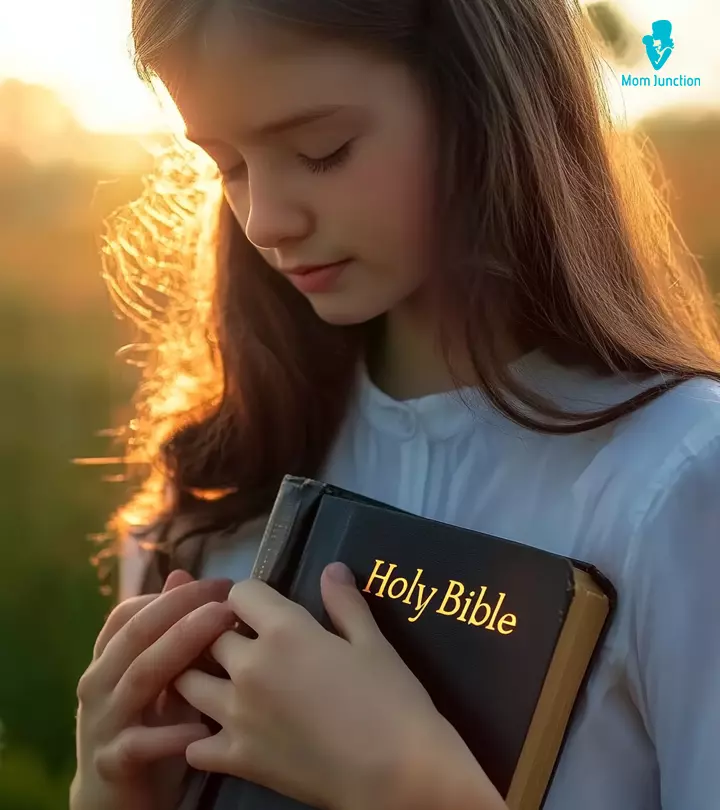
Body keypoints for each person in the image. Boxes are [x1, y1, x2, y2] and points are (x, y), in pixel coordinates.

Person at [71, 1, 720, 809]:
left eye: (322, 151)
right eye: (225, 166)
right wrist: (108, 793)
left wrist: (410, 791)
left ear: (484, 98)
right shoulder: (213, 495)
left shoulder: (681, 476)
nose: (265, 219)